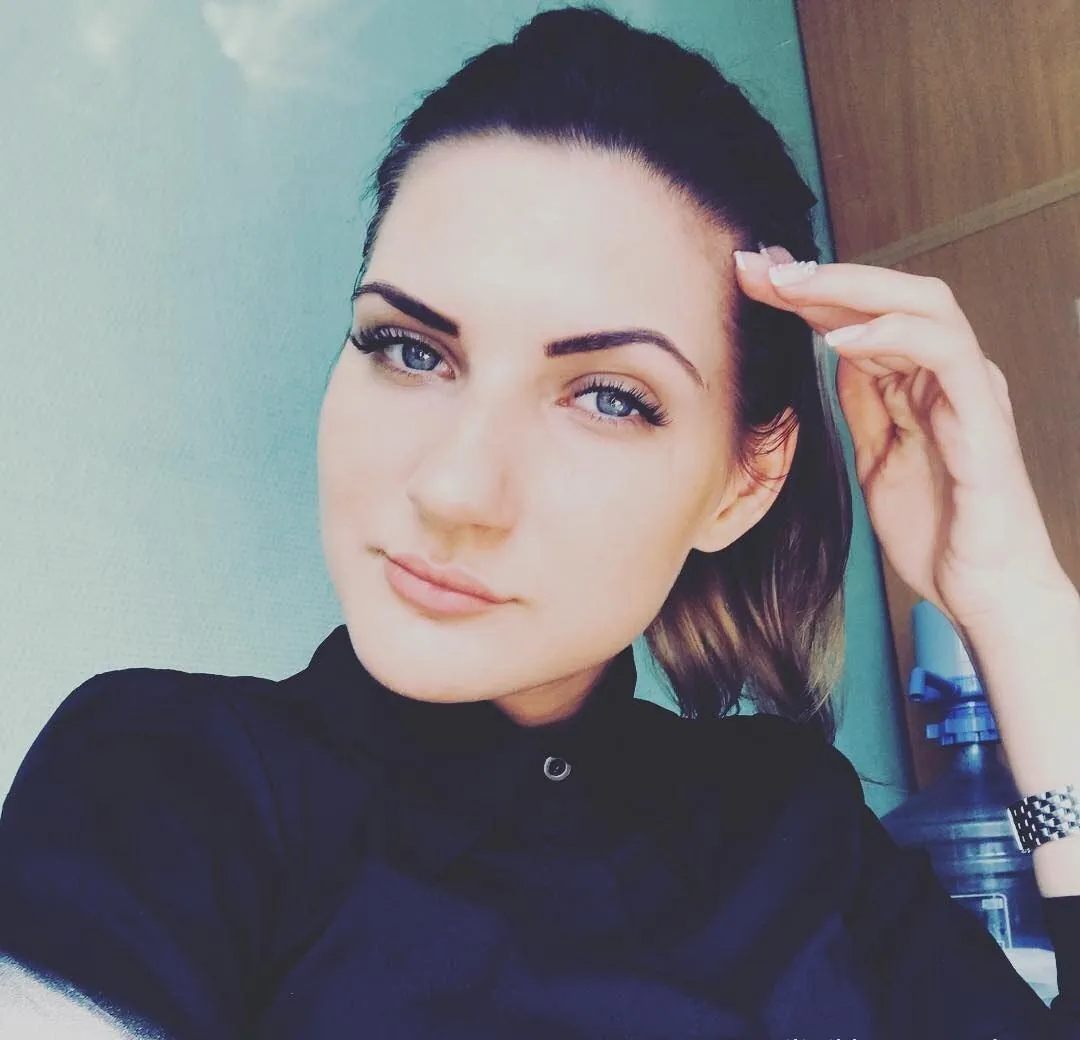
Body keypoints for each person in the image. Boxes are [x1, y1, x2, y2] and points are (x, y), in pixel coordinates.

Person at [1, 6, 1078, 1038]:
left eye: (607, 396)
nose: (455, 489)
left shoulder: (798, 833)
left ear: (744, 483)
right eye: (409, 348)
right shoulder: (167, 787)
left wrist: (1019, 603)